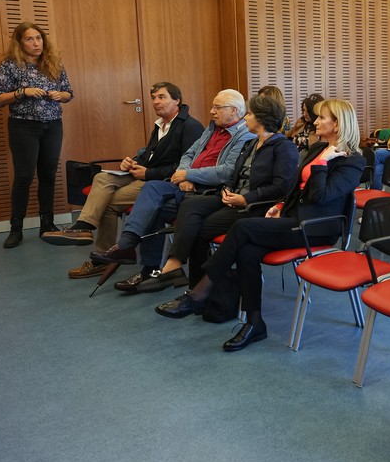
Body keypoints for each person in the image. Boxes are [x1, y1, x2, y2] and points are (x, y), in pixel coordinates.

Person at [154, 99, 365, 352]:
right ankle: (254, 323)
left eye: (322, 118)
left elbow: (321, 196)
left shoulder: (352, 161)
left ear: (338, 124)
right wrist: (280, 204)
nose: (316, 121)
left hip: (315, 228)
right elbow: (296, 187)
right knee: (247, 252)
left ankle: (199, 293)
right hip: (292, 219)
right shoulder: (319, 147)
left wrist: (322, 164)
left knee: (243, 227)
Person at [89, 90, 254, 290]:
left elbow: (226, 172)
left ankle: (147, 268)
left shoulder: (244, 136)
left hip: (207, 191)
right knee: (152, 189)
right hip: (184, 184)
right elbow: (189, 154)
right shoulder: (212, 128)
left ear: (234, 110)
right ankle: (129, 246)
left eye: (217, 107)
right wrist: (184, 174)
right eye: (213, 106)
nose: (211, 111)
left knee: (155, 208)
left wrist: (189, 175)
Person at [133, 95, 298, 294]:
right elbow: (233, 175)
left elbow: (282, 187)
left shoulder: (284, 147)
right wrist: (227, 189)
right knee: (191, 204)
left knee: (199, 229)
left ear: (262, 118)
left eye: (250, 114)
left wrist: (245, 198)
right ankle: (176, 268)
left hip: (255, 205)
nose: (245, 117)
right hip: (232, 198)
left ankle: (196, 289)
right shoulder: (252, 144)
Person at [40, 82, 204, 280]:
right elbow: (152, 154)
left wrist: (148, 173)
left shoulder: (191, 127)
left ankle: (101, 258)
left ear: (177, 100)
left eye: (162, 97)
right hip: (144, 174)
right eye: (153, 98)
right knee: (101, 177)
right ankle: (83, 227)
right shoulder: (161, 124)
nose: (155, 102)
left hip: (161, 182)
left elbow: (186, 166)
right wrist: (132, 162)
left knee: (107, 203)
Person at [0, 22, 74, 248]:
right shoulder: (10, 66)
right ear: (20, 43)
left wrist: (60, 95)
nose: (36, 43)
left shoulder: (54, 63)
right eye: (30, 39)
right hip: (23, 127)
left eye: (39, 38)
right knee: (24, 176)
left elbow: (69, 93)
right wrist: (22, 92)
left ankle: (47, 225)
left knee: (48, 175)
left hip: (52, 126)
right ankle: (16, 229)